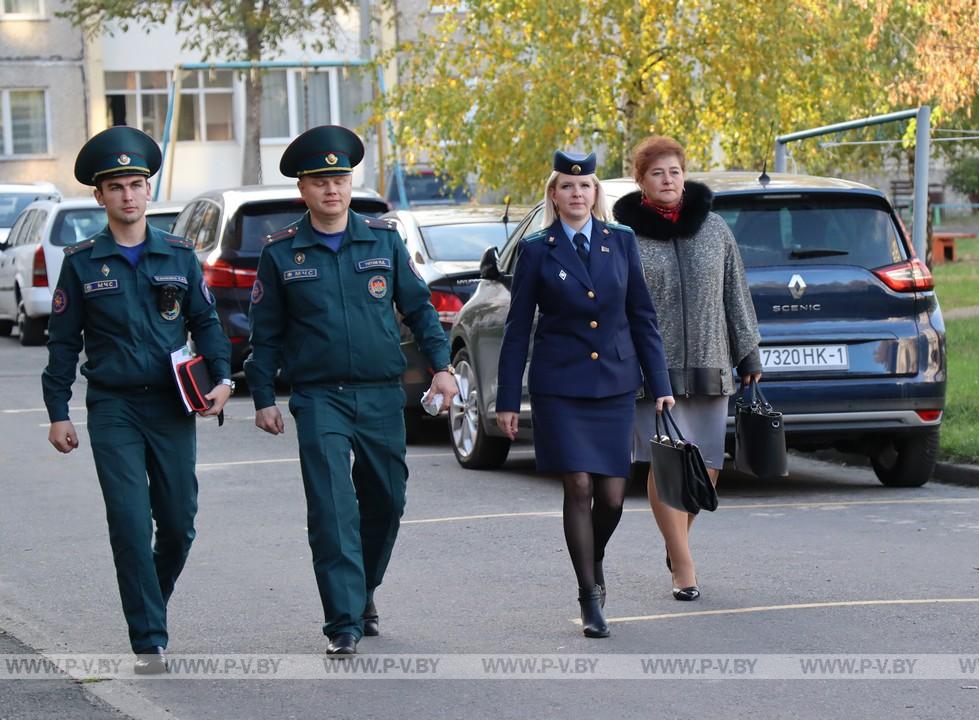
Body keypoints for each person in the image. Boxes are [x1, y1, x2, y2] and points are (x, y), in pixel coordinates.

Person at [245, 125, 457, 656]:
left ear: (349, 183)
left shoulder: (382, 240)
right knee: (332, 507)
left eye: (339, 179)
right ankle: (342, 621)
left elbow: (420, 311)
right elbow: (264, 335)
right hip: (320, 398)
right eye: (320, 181)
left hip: (382, 393)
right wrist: (265, 398)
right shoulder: (282, 253)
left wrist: (441, 367)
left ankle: (362, 589)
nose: (331, 190)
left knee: (387, 500)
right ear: (304, 190)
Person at [42, 126, 232, 674]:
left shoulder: (178, 255)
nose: (128, 194)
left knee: (177, 523)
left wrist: (222, 380)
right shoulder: (81, 264)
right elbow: (61, 345)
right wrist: (58, 412)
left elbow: (206, 324)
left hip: (173, 405)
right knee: (128, 522)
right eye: (116, 187)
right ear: (99, 197)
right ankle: (149, 636)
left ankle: (151, 597)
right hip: (114, 408)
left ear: (149, 191)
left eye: (137, 183)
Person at [496, 150, 675, 638]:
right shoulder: (537, 249)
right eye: (568, 187)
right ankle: (589, 594)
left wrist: (660, 384)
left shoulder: (620, 242)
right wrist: (507, 400)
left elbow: (642, 315)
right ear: (554, 194)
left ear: (596, 195)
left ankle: (591, 557)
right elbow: (517, 331)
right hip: (561, 386)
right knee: (577, 485)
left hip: (615, 383)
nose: (577, 194)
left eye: (586, 187)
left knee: (613, 497)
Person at [613, 135, 761, 602]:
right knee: (668, 460)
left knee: (709, 463)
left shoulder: (714, 229)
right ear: (641, 183)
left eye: (674, 171)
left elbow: (735, 293)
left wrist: (748, 352)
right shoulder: (625, 237)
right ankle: (683, 564)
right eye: (657, 173)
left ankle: (677, 543)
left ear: (685, 175)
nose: (668, 180)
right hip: (653, 367)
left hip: (712, 359)